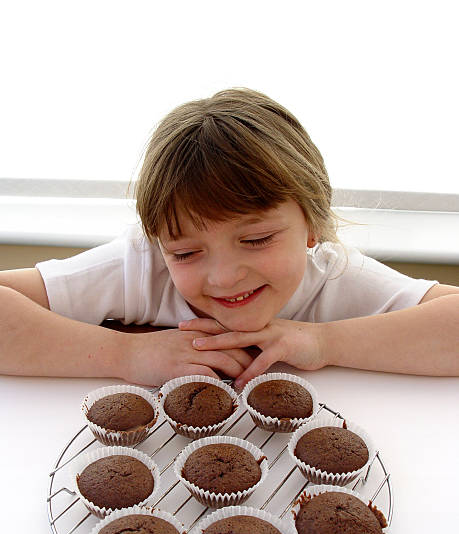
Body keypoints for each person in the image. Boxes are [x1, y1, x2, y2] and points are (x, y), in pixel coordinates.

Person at [1, 88, 458, 388]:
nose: (223, 277)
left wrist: (322, 342)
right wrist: (126, 354)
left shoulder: (334, 275)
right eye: (185, 252)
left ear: (312, 225)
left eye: (257, 239)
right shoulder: (140, 266)